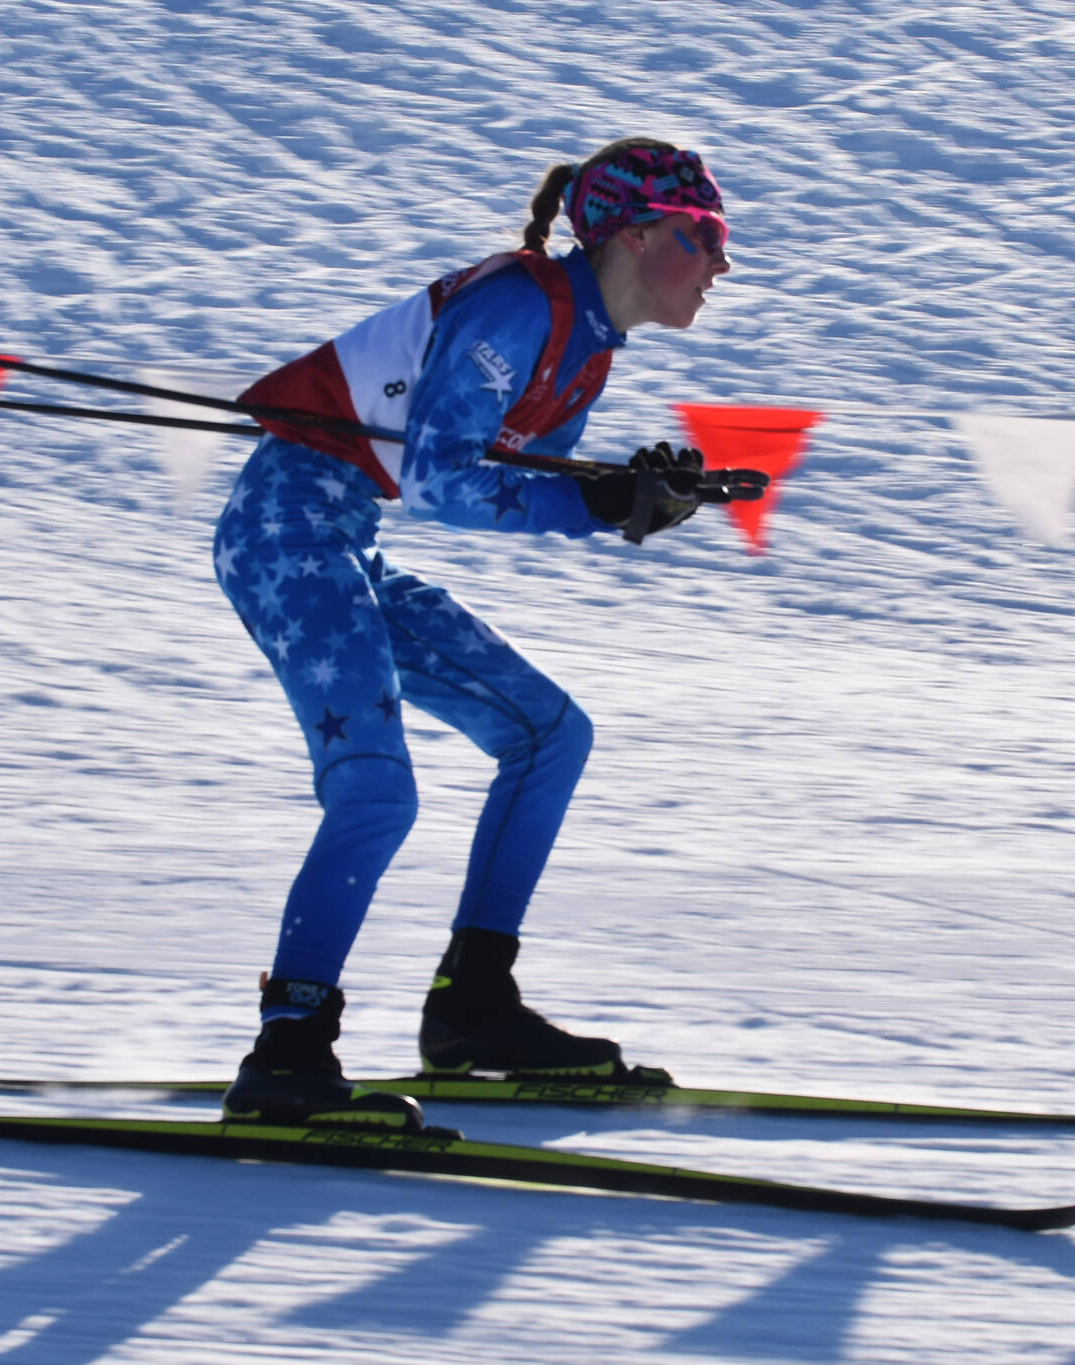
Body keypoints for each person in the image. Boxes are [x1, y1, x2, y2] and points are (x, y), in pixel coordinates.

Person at [212, 137, 739, 1130]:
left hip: (344, 540)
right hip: (285, 526)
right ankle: (286, 1051)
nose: (720, 261)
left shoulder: (586, 346)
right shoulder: (519, 305)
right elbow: (444, 481)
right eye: (703, 235)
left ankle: (473, 1009)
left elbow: (516, 481)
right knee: (374, 789)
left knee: (548, 734)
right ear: (635, 235)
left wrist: (632, 495)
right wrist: (597, 507)